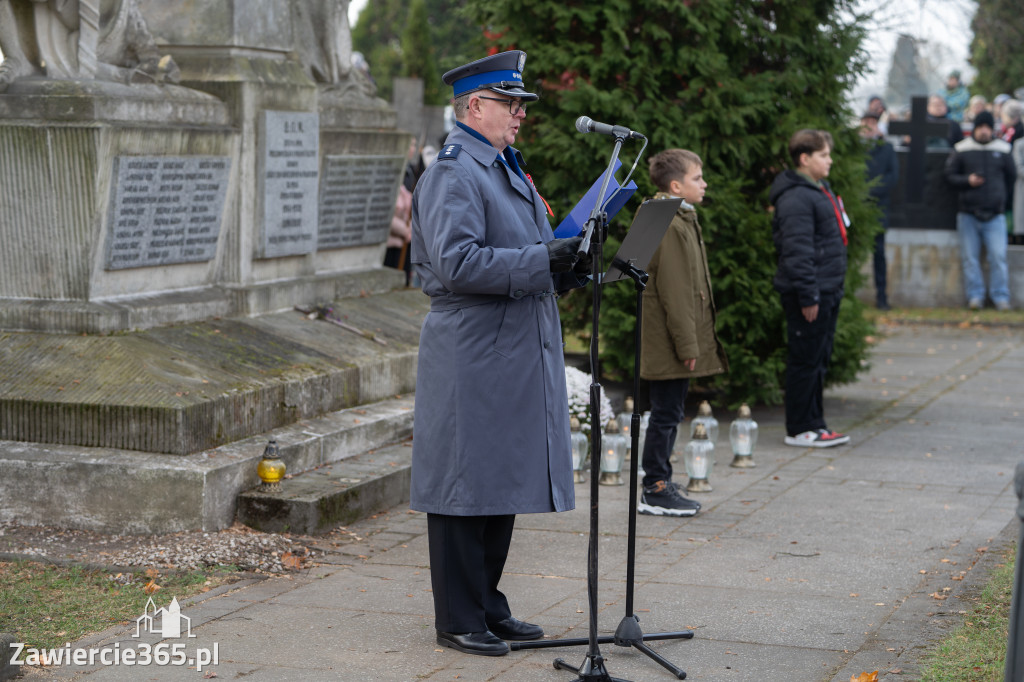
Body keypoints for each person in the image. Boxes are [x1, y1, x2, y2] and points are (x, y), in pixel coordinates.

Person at [407, 50, 590, 657]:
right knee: (464, 486)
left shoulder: (503, 166)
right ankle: (458, 617)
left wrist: (567, 258)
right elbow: (458, 264)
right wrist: (544, 261)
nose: (519, 116)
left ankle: (486, 603)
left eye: (520, 106)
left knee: (496, 482)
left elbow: (524, 251)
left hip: (509, 347)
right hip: (473, 349)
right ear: (475, 106)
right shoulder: (456, 172)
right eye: (510, 105)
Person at [636, 149, 728, 517]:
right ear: (676, 185)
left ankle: (659, 481)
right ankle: (655, 487)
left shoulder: (679, 218)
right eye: (697, 178)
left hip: (673, 338)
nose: (704, 184)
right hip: (671, 340)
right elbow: (675, 292)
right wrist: (688, 344)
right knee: (666, 413)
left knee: (668, 410)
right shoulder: (670, 224)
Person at [770, 129, 850, 448]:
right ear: (805, 159)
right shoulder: (796, 197)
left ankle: (816, 424)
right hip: (810, 293)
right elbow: (797, 250)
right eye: (823, 155)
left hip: (827, 289)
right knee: (804, 360)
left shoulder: (819, 190)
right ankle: (800, 427)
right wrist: (808, 294)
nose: (830, 160)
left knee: (818, 358)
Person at [944, 110, 1017, 310]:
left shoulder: (1003, 148)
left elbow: (1011, 178)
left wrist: (999, 197)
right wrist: (968, 181)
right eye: (980, 127)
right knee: (970, 259)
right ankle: (975, 297)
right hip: (968, 213)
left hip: (995, 215)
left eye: (987, 127)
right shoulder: (962, 149)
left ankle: (1000, 297)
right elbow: (949, 176)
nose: (984, 131)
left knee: (998, 258)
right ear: (975, 128)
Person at [860, 111, 900, 310]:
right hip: (857, 207)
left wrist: (871, 191)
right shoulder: (855, 149)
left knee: (879, 255)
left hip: (878, 208)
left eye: (872, 123)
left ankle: (881, 297)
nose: (869, 126)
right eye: (865, 122)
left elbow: (893, 177)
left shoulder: (887, 149)